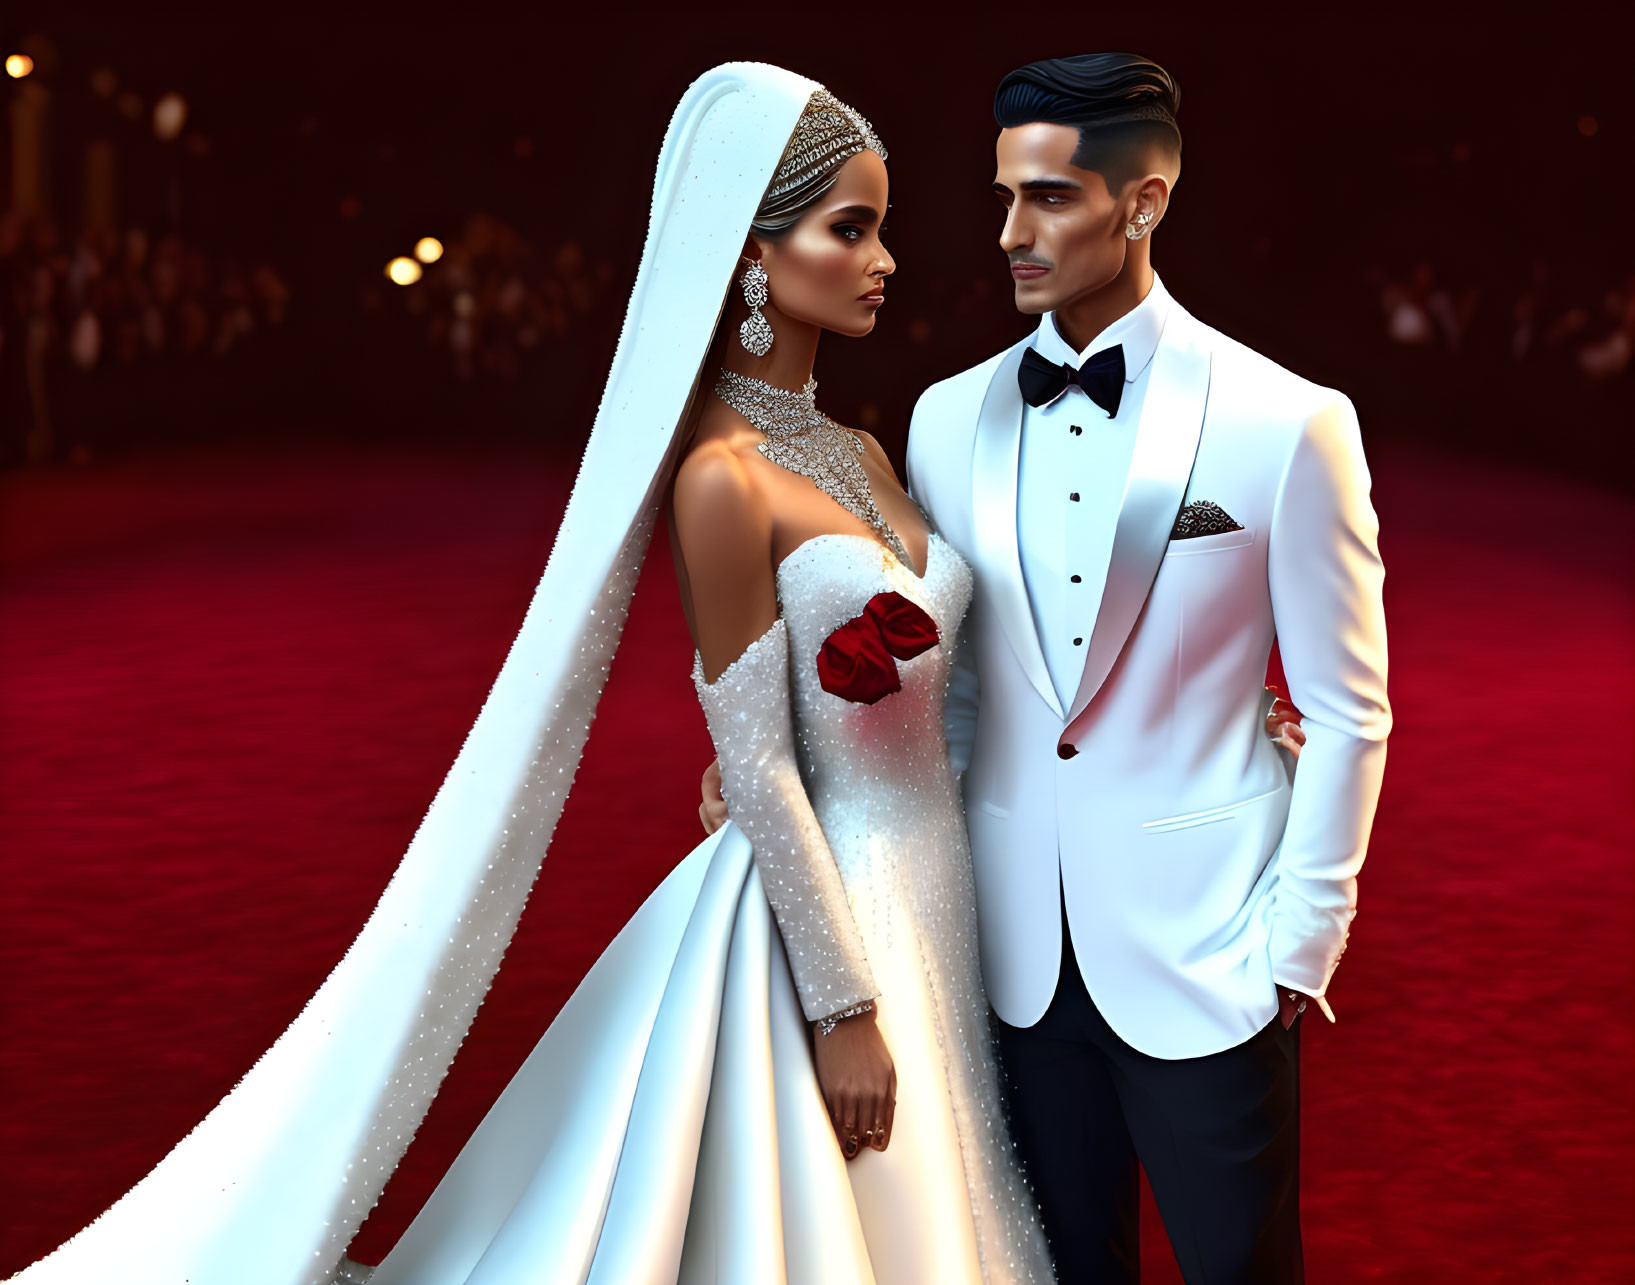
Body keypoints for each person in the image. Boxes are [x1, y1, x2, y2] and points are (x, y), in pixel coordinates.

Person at [8, 64, 1059, 1285]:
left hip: (931, 875)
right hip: (834, 917)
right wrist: (839, 1007)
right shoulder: (720, 479)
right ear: (753, 262)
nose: (886, 259)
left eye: (882, 226)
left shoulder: (863, 447)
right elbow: (761, 760)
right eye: (850, 229)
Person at [710, 53, 1390, 1284]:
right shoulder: (941, 416)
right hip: (1008, 956)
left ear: (1146, 203)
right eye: (1002, 196)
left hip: (1209, 949)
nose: (1012, 234)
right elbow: (950, 686)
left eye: (1053, 200)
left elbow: (1350, 709)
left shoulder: (1287, 419)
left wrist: (1299, 944)